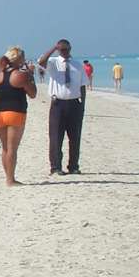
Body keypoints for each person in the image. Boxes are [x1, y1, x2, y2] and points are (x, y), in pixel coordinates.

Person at [0, 46, 37, 185]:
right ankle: (10, 180)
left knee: (5, 148)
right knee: (12, 149)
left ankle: (8, 177)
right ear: (19, 59)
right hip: (16, 113)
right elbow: (33, 94)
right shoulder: (20, 75)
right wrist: (31, 75)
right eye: (23, 57)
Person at [38, 38, 87, 176]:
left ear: (70, 49)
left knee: (75, 137)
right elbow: (41, 62)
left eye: (66, 49)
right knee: (56, 137)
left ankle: (73, 166)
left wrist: (82, 104)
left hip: (74, 103)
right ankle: (55, 167)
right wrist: (54, 48)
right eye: (62, 49)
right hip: (58, 104)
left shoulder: (77, 65)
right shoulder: (53, 62)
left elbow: (82, 85)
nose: (64, 51)